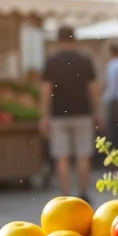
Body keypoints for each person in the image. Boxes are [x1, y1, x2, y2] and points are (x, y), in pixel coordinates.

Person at [40, 26, 100, 200]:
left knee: (61, 156)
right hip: (83, 112)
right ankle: (82, 192)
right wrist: (98, 113)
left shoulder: (51, 62)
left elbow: (46, 91)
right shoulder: (84, 61)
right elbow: (93, 90)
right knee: (83, 154)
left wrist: (44, 116)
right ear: (74, 39)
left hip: (59, 114)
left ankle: (65, 195)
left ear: (58, 40)